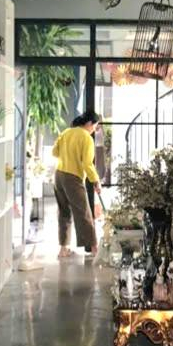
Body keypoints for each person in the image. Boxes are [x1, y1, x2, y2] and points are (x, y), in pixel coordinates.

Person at [52, 110, 102, 259]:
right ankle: (94, 249)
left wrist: (68, 153)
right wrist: (96, 181)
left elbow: (55, 152)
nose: (94, 129)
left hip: (59, 175)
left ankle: (63, 249)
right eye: (95, 126)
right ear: (89, 123)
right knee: (83, 213)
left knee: (64, 212)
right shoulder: (86, 138)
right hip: (72, 177)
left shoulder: (67, 132)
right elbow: (87, 164)